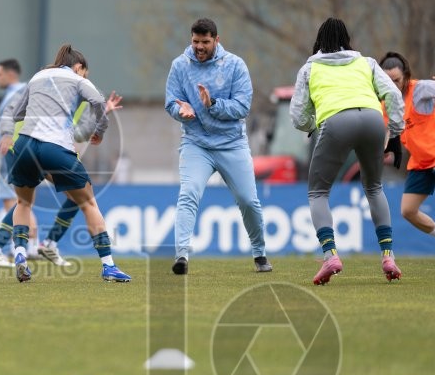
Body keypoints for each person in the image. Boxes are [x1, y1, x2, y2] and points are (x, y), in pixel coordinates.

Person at [289, 18, 405, 285]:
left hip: (336, 121)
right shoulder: (366, 62)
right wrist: (396, 133)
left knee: (318, 192)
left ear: (319, 41)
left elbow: (297, 115)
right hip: (374, 120)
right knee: (374, 188)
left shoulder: (310, 67)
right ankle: (388, 256)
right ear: (347, 40)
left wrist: (312, 125)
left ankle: (330, 255)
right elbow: (394, 95)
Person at [8, 43, 130, 283]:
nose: (85, 76)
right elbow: (97, 103)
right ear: (78, 67)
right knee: (89, 203)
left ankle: (20, 254)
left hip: (23, 146)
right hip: (54, 148)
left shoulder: (37, 77)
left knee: (23, 202)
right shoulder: (78, 80)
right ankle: (108, 266)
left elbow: (16, 115)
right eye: (85, 72)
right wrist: (100, 131)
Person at [164, 18, 273, 275]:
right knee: (188, 193)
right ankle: (181, 256)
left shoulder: (235, 65)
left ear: (217, 40)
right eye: (195, 41)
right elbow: (171, 102)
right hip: (196, 143)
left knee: (248, 200)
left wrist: (212, 103)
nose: (199, 47)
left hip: (231, 144)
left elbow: (242, 107)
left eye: (205, 42)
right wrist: (182, 110)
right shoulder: (179, 66)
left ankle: (259, 253)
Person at [0, 93, 123, 269]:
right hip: (26, 147)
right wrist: (6, 134)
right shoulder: (50, 90)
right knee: (27, 201)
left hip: (40, 149)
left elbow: (79, 134)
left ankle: (43, 244)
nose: (82, 77)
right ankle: (1, 247)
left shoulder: (79, 98)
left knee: (68, 198)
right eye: (81, 71)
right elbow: (10, 113)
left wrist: (102, 113)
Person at [379, 51, 435, 260]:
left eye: (397, 80)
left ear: (406, 76)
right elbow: (387, 134)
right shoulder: (386, 104)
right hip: (420, 162)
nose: (393, 85)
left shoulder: (420, 89)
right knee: (408, 211)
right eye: (388, 81)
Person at [0, 59, 38, 267]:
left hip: (10, 154)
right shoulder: (22, 91)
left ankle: (11, 248)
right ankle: (29, 247)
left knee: (13, 203)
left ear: (10, 74)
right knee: (24, 202)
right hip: (20, 153)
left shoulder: (16, 93)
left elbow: (8, 126)